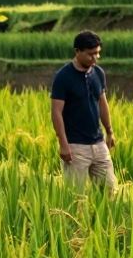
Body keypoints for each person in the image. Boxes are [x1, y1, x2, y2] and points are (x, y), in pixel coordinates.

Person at [50, 30, 117, 191]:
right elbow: (56, 112)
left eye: (97, 54)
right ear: (77, 52)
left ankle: (102, 217)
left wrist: (109, 131)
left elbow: (103, 104)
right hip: (75, 146)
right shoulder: (63, 77)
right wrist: (63, 144)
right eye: (90, 54)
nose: (94, 58)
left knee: (110, 191)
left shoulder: (98, 73)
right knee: (75, 196)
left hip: (99, 143)